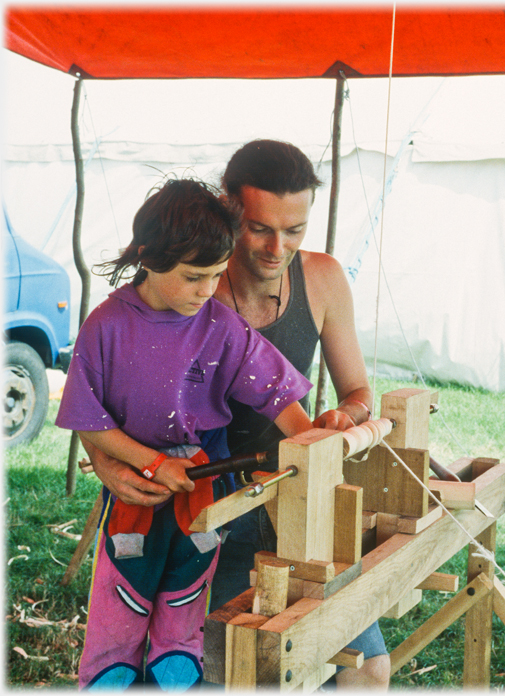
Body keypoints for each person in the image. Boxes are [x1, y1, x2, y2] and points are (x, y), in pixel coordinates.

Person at [85, 141, 391, 690]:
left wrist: (344, 420)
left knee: (367, 668)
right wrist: (115, 465)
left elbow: (340, 394)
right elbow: (101, 399)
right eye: (259, 228)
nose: (279, 247)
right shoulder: (189, 293)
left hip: (296, 495)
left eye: (295, 230)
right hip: (217, 498)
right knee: (232, 669)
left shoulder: (315, 281)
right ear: (230, 212)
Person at [56, 177, 314, 690]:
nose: (207, 290)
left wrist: (311, 442)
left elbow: (277, 392)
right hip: (135, 484)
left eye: (217, 275)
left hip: (204, 479)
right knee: (125, 571)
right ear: (149, 257)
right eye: (196, 276)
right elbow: (89, 418)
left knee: (193, 570)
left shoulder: (220, 323)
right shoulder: (105, 326)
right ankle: (110, 661)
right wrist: (151, 463)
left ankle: (177, 651)